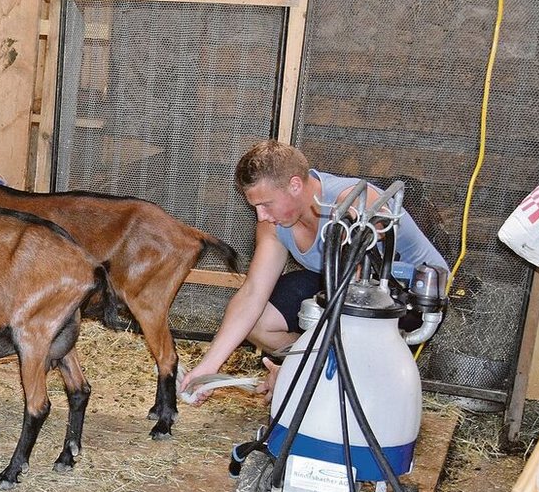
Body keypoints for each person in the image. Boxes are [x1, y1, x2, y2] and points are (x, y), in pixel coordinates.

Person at [180, 140, 448, 401]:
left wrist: (296, 373)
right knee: (258, 322)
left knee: (350, 354)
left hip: (405, 294)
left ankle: (321, 371)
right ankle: (316, 366)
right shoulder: (274, 223)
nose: (261, 216)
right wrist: (208, 368)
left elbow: (352, 297)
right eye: (255, 207)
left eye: (266, 204)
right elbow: (252, 293)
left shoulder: (352, 204)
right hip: (337, 281)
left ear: (295, 185)